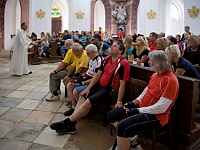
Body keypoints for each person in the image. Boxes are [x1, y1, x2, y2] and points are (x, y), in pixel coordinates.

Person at [50, 41, 130, 135]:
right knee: (82, 96)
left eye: (115, 46)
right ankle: (72, 124)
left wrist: (119, 101)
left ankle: (67, 123)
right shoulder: (107, 59)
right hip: (100, 86)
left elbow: (123, 84)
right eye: (112, 45)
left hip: (109, 91)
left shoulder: (123, 63)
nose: (111, 47)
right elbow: (98, 74)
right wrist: (88, 88)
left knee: (88, 102)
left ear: (120, 51)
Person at [107, 50, 179, 150]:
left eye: (151, 61)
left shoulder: (171, 80)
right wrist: (134, 102)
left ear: (160, 64)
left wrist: (137, 110)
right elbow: (146, 91)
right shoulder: (155, 74)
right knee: (111, 115)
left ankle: (125, 142)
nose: (149, 62)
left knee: (122, 127)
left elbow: (161, 107)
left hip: (156, 116)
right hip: (142, 107)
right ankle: (132, 139)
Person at [64, 44, 103, 116]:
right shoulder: (92, 60)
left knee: (76, 91)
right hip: (86, 78)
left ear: (93, 52)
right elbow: (88, 72)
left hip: (92, 82)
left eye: (88, 53)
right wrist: (78, 77)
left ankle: (80, 111)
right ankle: (74, 107)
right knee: (69, 84)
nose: (87, 55)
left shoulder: (99, 61)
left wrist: (82, 82)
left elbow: (96, 78)